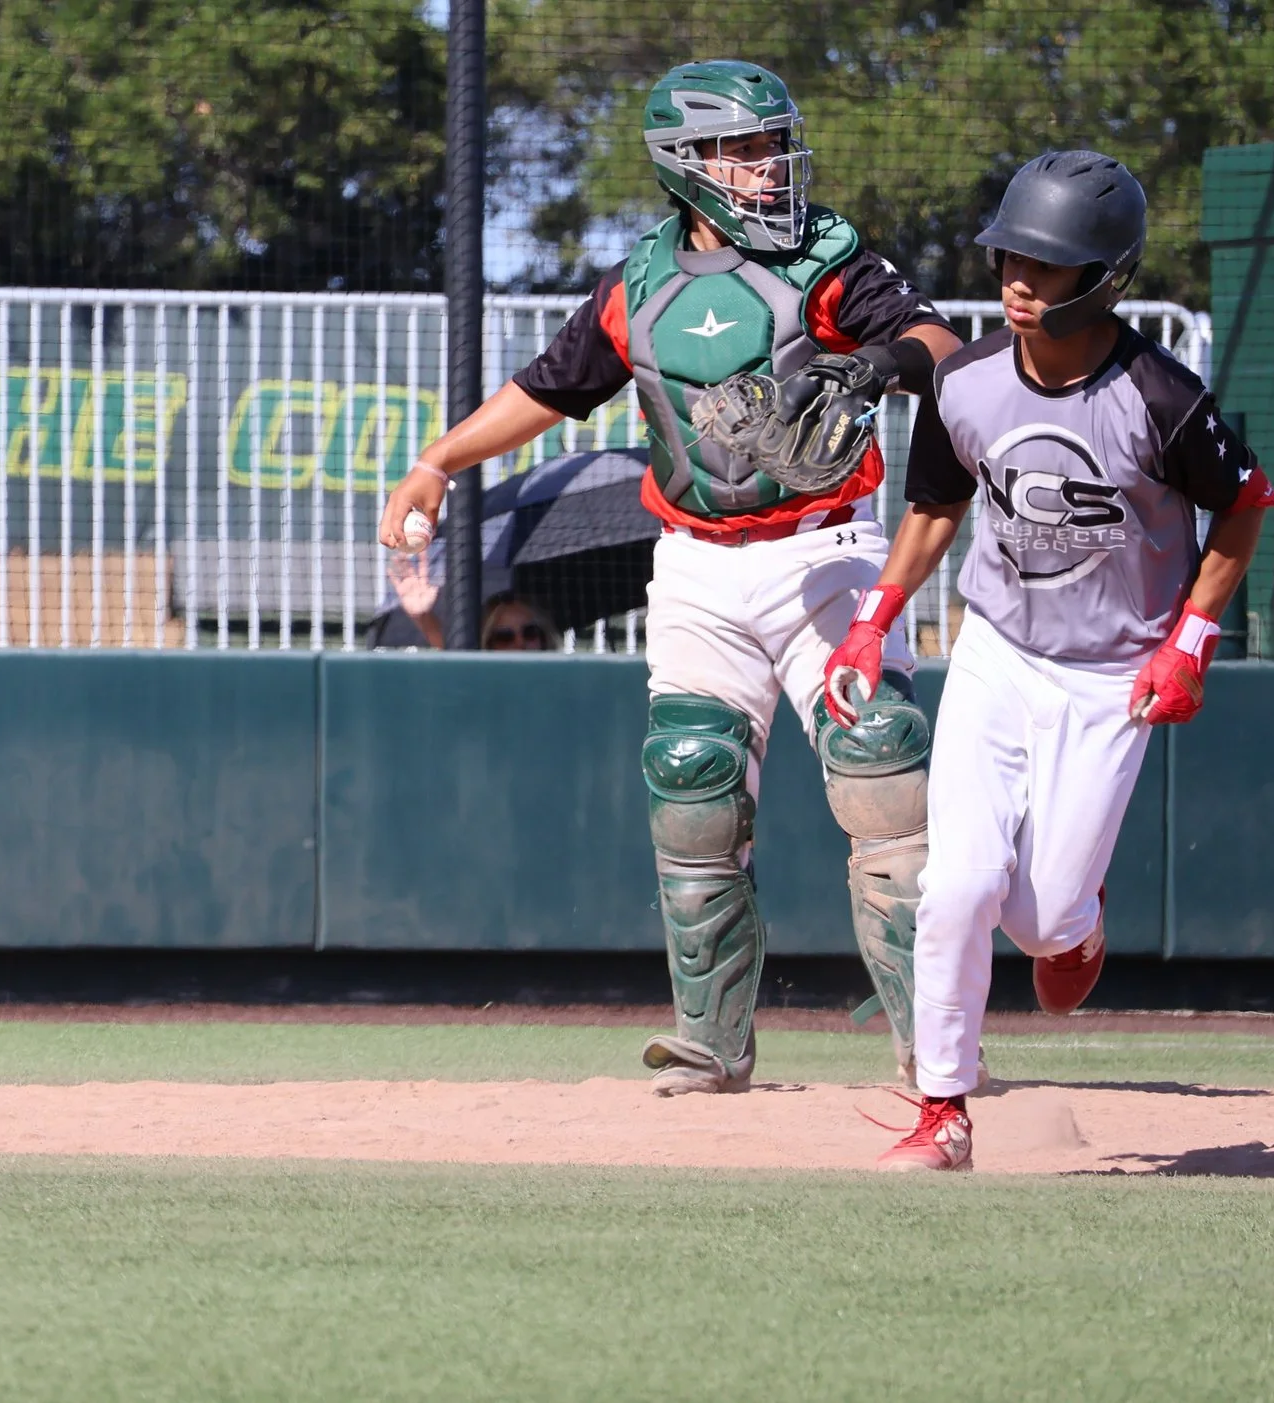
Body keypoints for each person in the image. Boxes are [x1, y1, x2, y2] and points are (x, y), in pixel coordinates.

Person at [378, 60, 964, 1093]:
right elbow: (547, 388)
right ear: (683, 164)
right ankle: (712, 1039)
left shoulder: (827, 257)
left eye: (775, 144)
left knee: (879, 768)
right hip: (695, 564)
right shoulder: (635, 284)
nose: (769, 166)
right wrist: (437, 463)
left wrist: (876, 364)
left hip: (823, 551)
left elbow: (934, 338)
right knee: (691, 784)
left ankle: (936, 1050)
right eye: (744, 149)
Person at [827, 151, 1274, 1170]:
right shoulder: (967, 381)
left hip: (1112, 674)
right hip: (996, 650)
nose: (1019, 279)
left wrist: (1189, 642)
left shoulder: (1159, 397)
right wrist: (874, 616)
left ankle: (1077, 911)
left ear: (1105, 275)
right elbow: (935, 504)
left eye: (1048, 262)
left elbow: (1244, 503)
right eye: (1009, 257)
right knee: (956, 885)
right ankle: (942, 1107)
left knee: (1038, 924)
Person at [386, 554, 558, 651]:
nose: (520, 644)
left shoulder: (563, 683)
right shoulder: (483, 684)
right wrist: (423, 617)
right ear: (488, 645)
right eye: (504, 637)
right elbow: (458, 655)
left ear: (544, 637)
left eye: (530, 633)